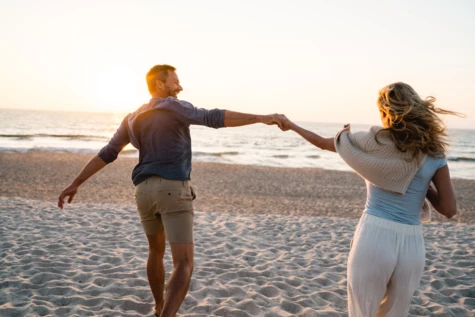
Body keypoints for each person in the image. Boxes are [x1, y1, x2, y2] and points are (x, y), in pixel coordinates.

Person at [57, 64, 283, 317]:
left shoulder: (131, 117)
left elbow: (108, 153)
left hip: (143, 192)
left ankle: (159, 306)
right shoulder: (173, 106)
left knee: (155, 251)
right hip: (173, 189)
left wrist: (76, 183)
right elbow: (213, 117)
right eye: (175, 81)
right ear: (159, 84)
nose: (180, 86)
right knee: (184, 263)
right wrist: (260, 118)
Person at [278, 82, 460, 317]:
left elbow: (324, 143)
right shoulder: (433, 152)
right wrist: (421, 185)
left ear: (385, 110)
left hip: (374, 237)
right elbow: (449, 209)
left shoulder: (371, 142)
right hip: (412, 246)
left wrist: (292, 125)